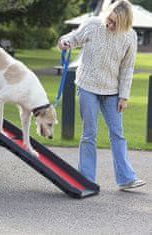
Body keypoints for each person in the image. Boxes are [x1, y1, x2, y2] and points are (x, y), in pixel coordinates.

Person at [58, 0, 146, 191]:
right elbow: (74, 38)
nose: (109, 25)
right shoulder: (93, 25)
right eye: (109, 19)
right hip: (88, 86)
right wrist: (65, 42)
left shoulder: (130, 37)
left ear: (125, 23)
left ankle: (126, 179)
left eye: (115, 23)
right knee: (89, 134)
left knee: (118, 134)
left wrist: (124, 96)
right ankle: (86, 179)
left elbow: (127, 69)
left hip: (112, 92)